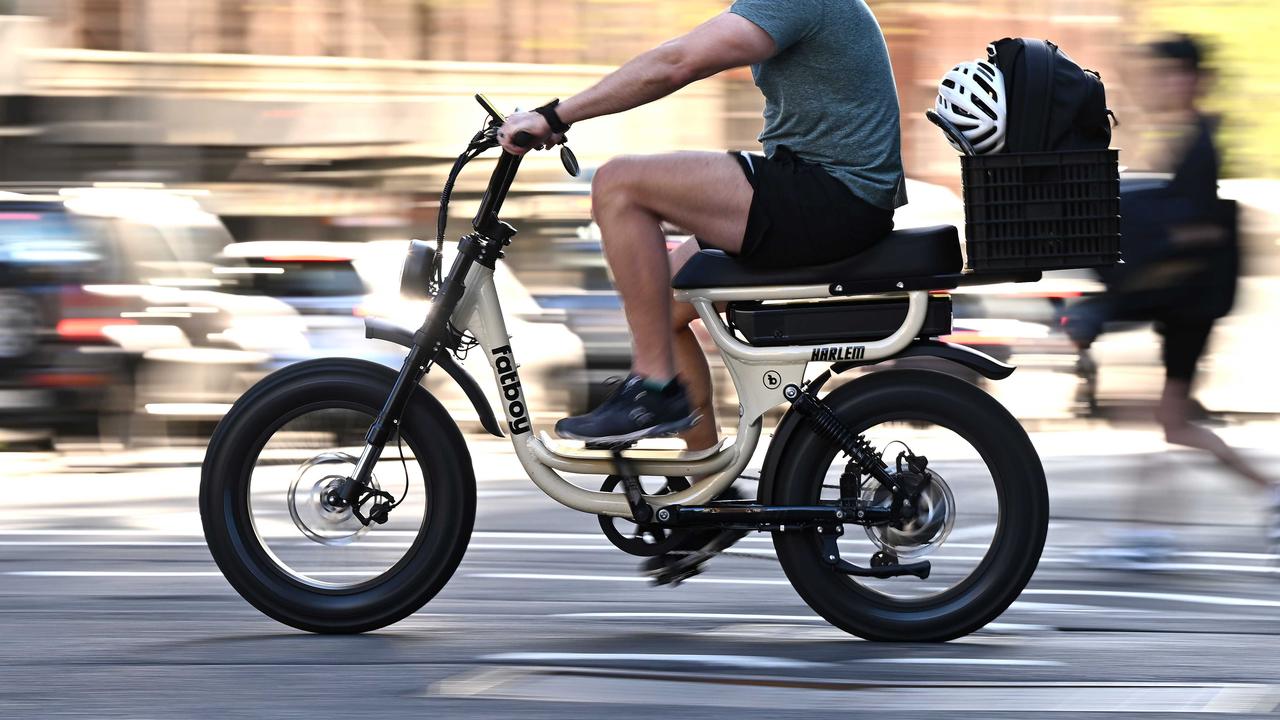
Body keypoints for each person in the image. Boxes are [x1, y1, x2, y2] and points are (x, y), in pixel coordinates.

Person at [498, 0, 906, 452]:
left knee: (618, 185)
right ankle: (702, 478)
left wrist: (554, 116)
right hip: (825, 193)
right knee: (663, 303)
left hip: (832, 195)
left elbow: (678, 63)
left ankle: (653, 390)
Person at [1066, 35, 1277, 558]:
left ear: (1194, 80)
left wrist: (1145, 246)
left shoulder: (1202, 142)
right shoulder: (1192, 138)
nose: (1159, 84)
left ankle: (1153, 531)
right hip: (1183, 302)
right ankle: (1159, 528)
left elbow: (1201, 228)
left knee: (1167, 419)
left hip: (1186, 303)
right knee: (1171, 421)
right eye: (1156, 74)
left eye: (1169, 74)